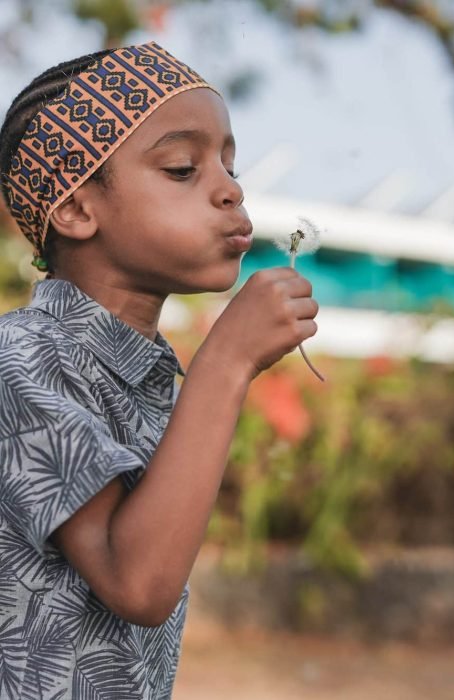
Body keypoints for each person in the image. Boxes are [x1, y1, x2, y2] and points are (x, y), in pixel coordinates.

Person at [0, 41, 318, 698]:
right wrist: (226, 361)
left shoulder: (139, 375)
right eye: (181, 169)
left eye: (229, 165)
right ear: (78, 210)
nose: (229, 191)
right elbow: (137, 583)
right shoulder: (20, 358)